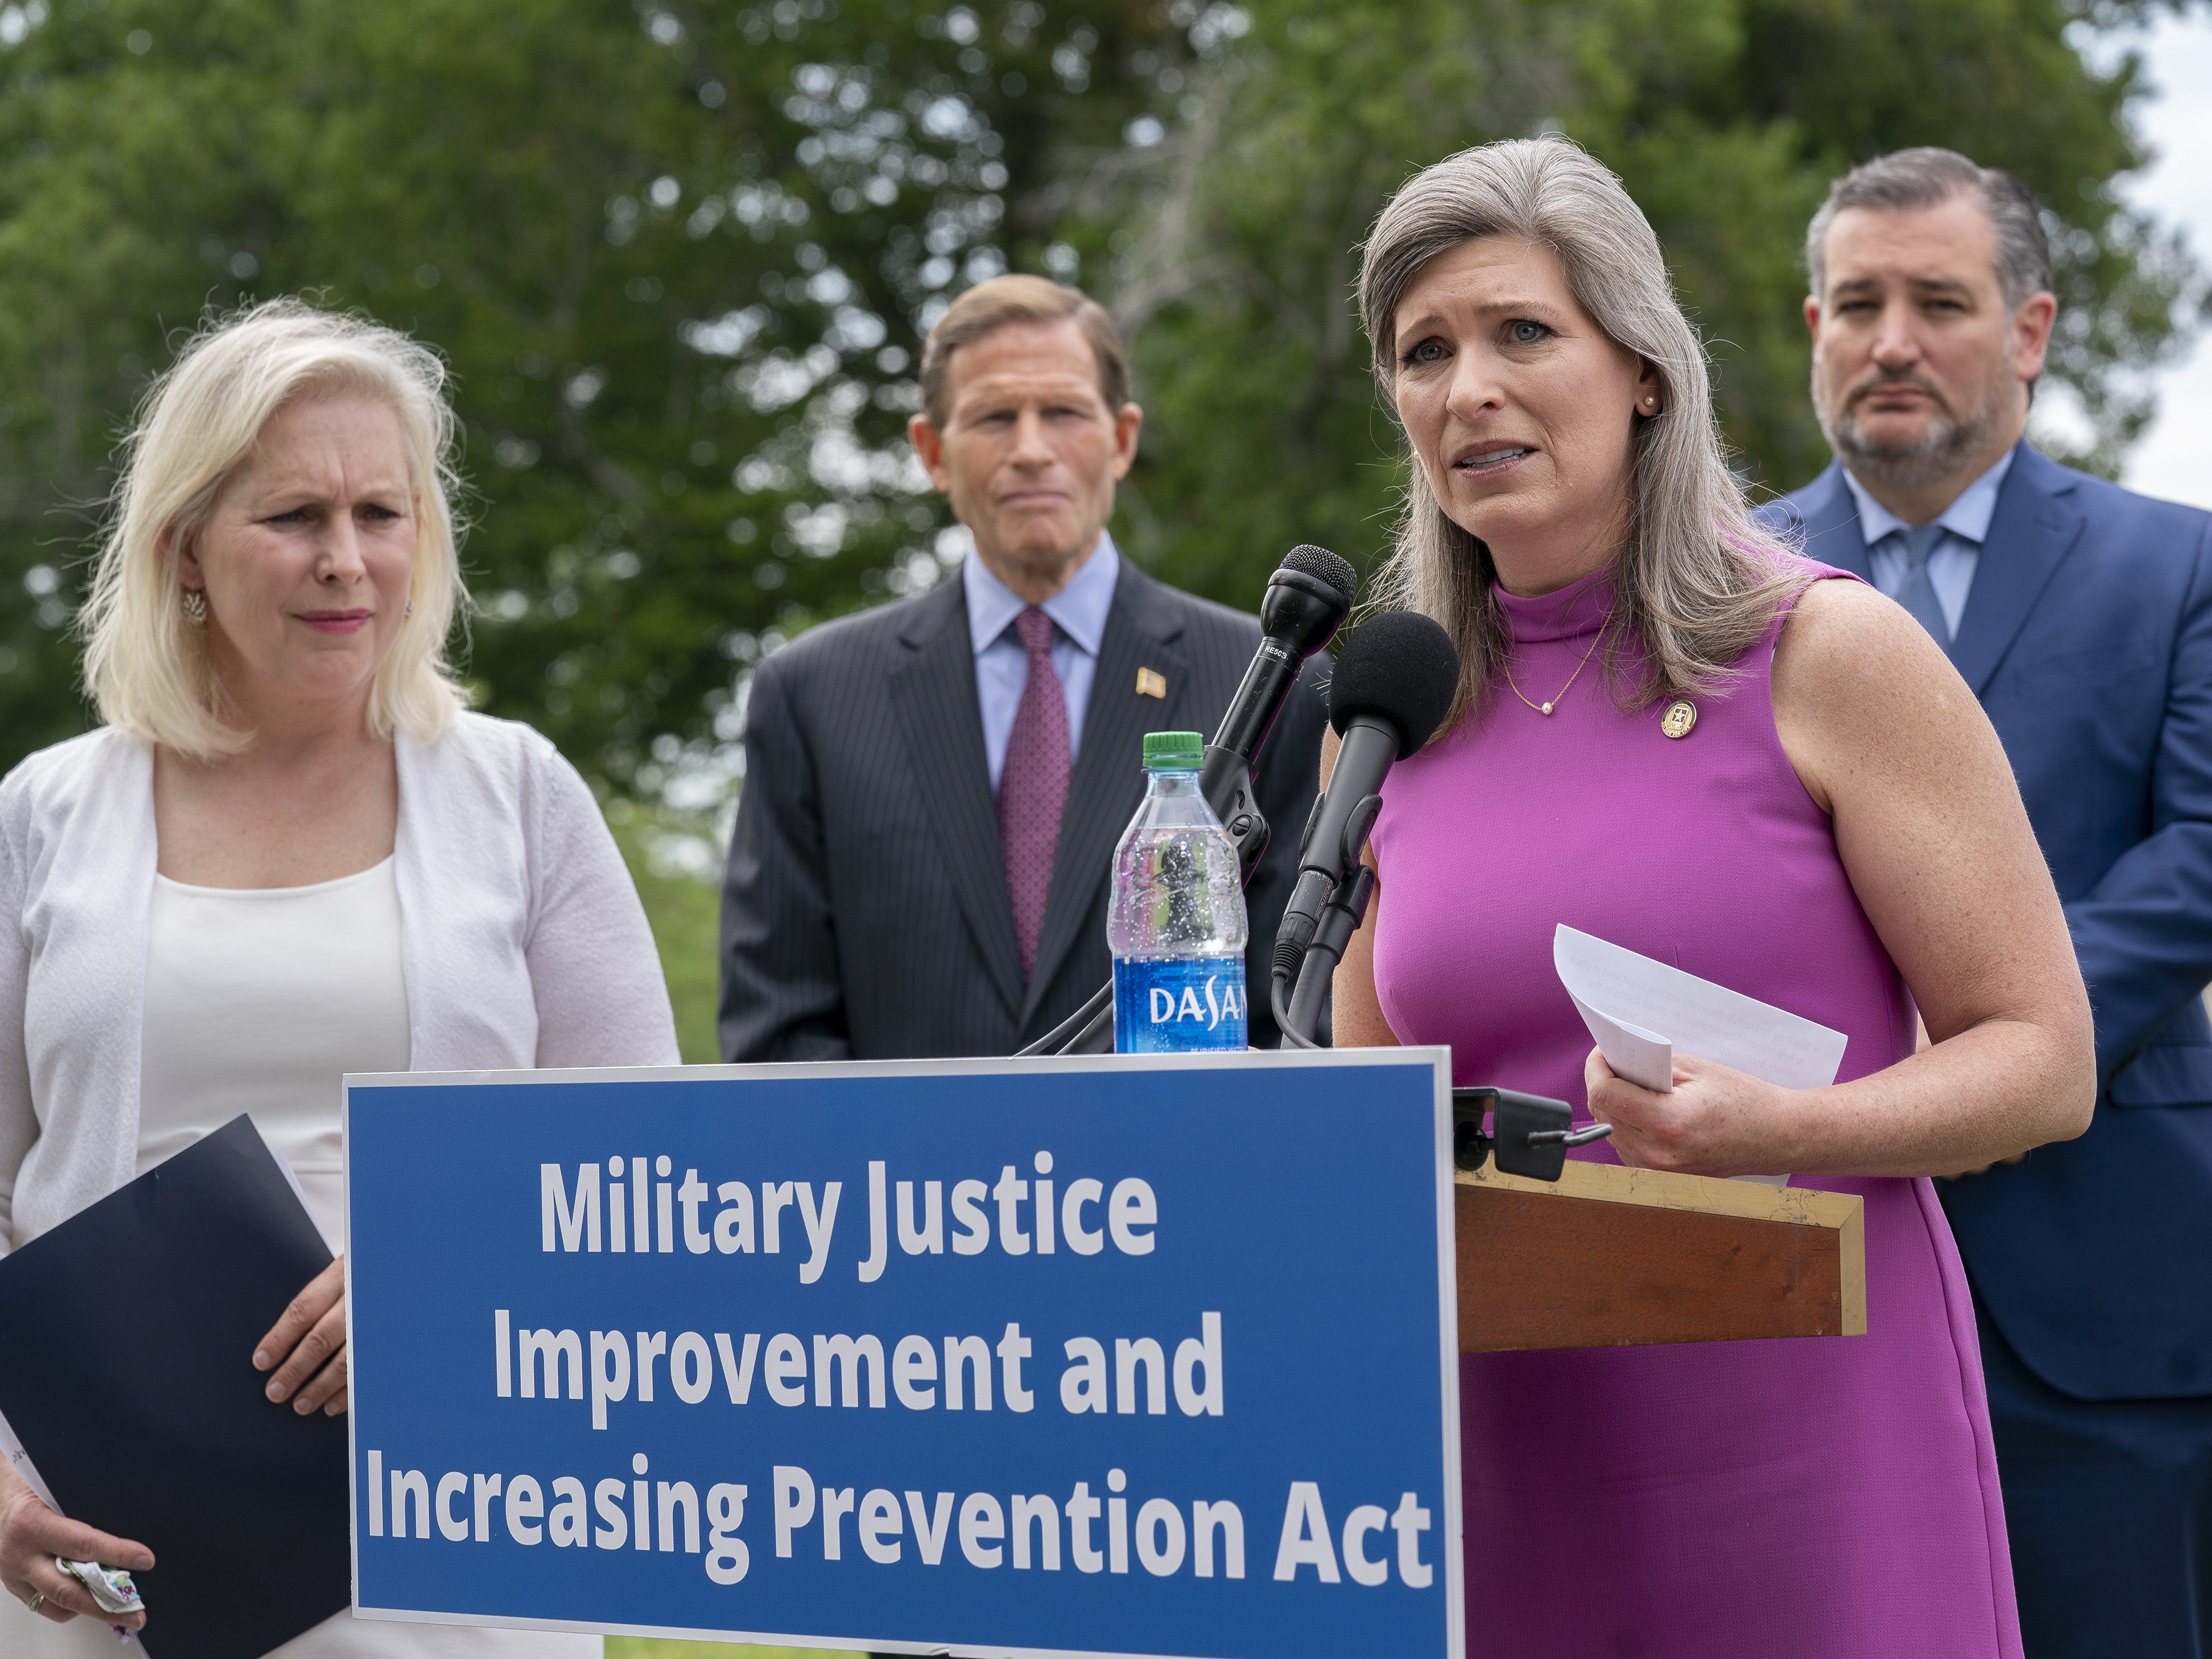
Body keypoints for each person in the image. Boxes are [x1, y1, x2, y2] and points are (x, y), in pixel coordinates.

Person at [1330, 136, 2095, 1657]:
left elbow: (2041, 1056)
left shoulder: (1823, 655)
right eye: (1424, 351)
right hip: (1502, 1450)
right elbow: (1362, 1101)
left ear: (1643, 373)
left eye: (1520, 332)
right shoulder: (1394, 717)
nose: (1467, 384)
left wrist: (1783, 1131)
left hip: (1803, 1421)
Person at [0, 300, 678, 1657]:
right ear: (182, 546)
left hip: (462, 1536)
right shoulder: (41, 815)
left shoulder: (518, 795)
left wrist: (445, 1273)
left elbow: (644, 1167)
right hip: (104, 1572)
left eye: (384, 512)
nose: (346, 562)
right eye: (294, 517)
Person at [1767, 147, 2212, 1659]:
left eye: (1937, 302)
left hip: (2102, 1280)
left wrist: (1981, 1022)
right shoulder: (1714, 584)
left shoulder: (2178, 566)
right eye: (1859, 303)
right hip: (1788, 1256)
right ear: (1811, 324)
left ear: (2027, 330)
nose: (1891, 340)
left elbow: (2202, 853)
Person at [719, 275, 1325, 1060]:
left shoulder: (1272, 681)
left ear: (1122, 440)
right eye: (995, 417)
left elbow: (1298, 1019)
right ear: (932, 452)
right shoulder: (812, 697)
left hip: (1183, 1173)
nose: (1032, 448)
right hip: (906, 1181)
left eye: (1065, 413)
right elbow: (780, 1033)